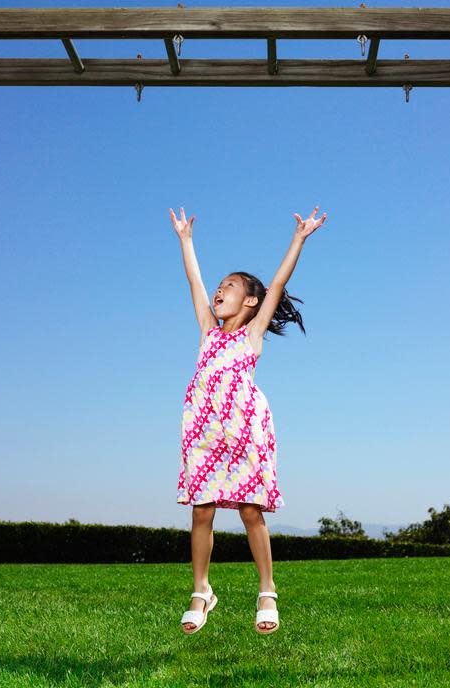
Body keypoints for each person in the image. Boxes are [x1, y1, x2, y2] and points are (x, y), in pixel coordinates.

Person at [169, 204, 327, 635]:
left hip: (243, 431)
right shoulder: (208, 330)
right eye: (220, 287)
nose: (219, 292)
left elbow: (278, 282)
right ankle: (202, 591)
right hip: (203, 431)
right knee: (201, 512)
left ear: (251, 301)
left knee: (250, 510)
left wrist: (299, 238)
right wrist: (186, 240)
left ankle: (267, 591)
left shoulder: (250, 336)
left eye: (230, 287)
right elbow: (194, 282)